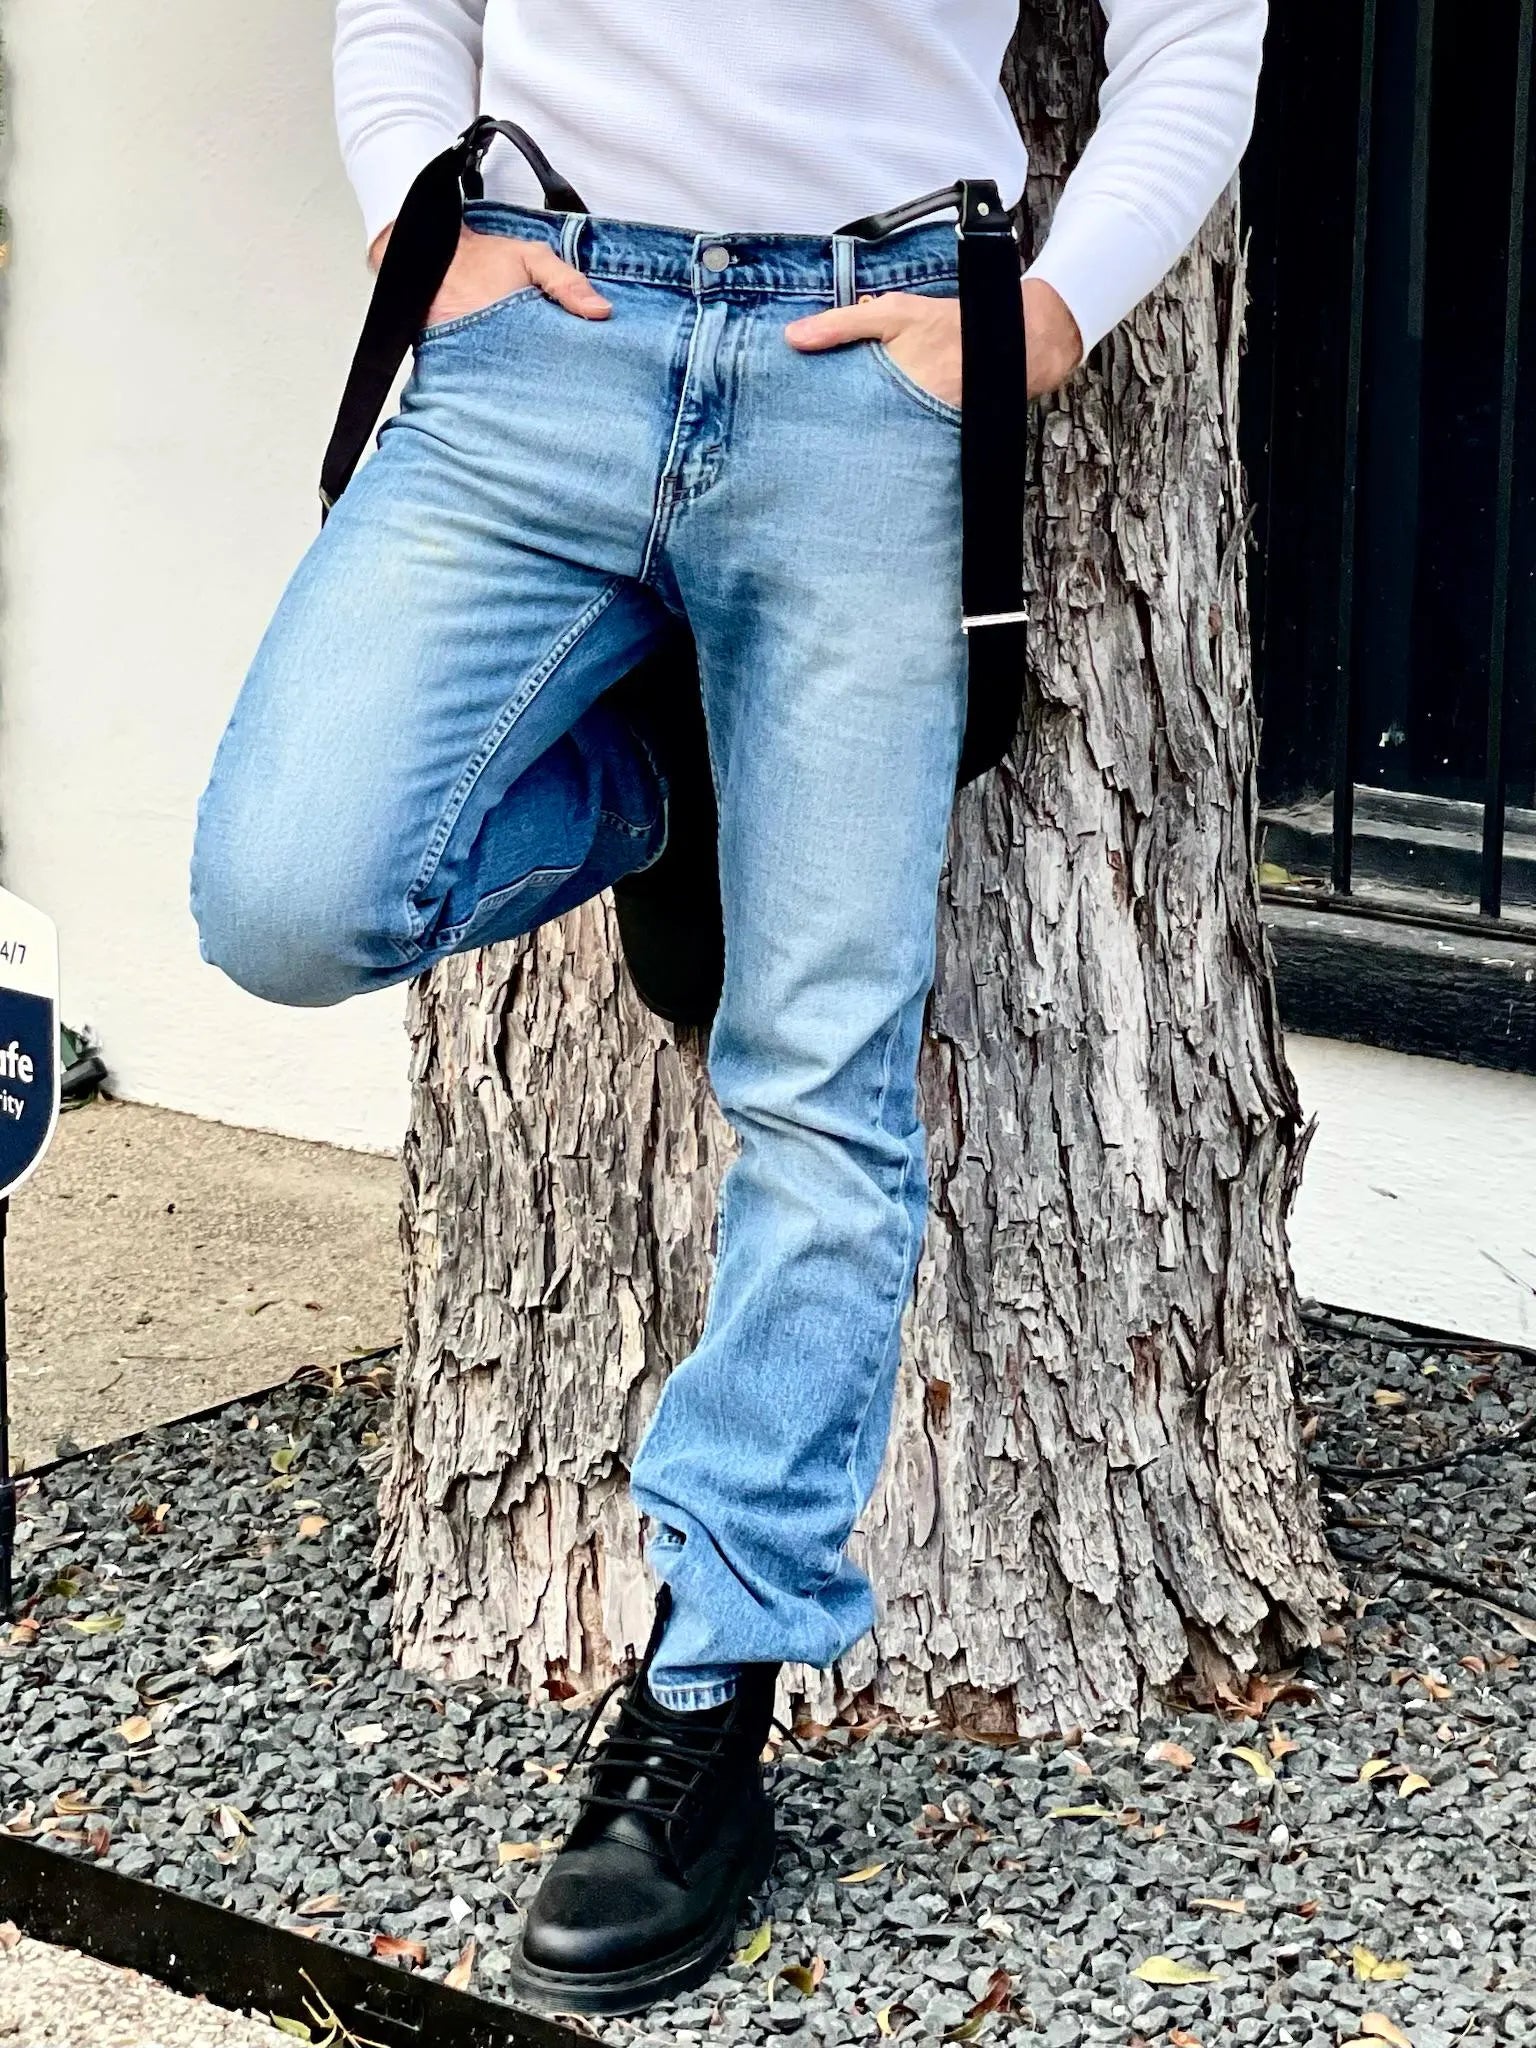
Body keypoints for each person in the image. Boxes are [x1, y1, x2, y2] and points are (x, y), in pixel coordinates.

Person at [191, 0, 1266, 2015]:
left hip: (865, 364)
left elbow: (1202, 33)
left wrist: (1037, 328)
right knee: (290, 894)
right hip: (545, 324)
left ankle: (708, 1688)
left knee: (825, 1085)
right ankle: (677, 788)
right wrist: (413, 200)